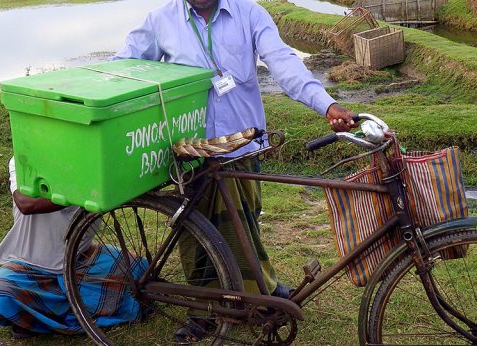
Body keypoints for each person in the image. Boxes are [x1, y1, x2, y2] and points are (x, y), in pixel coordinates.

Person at [113, 0, 356, 341]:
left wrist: (326, 104)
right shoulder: (160, 20)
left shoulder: (249, 14)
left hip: (240, 146)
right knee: (194, 236)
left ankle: (257, 290)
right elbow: (125, 66)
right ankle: (202, 313)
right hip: (190, 152)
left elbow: (283, 63)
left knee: (245, 225)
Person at [0, 158, 145, 339]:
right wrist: (87, 193)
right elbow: (26, 204)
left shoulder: (94, 160)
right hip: (29, 266)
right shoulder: (23, 160)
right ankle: (77, 311)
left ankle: (48, 314)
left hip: (80, 259)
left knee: (142, 270)